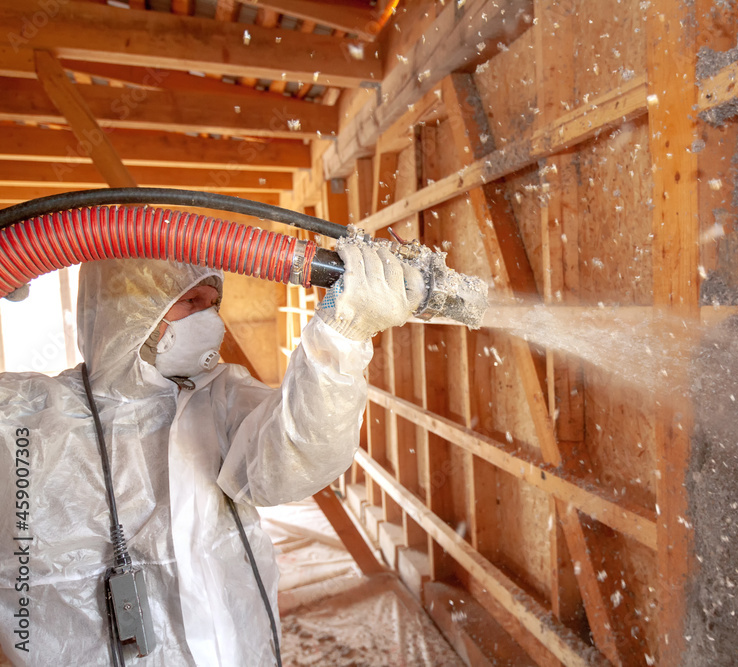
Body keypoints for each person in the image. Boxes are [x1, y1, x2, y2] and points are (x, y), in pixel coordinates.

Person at [0, 239, 423, 666]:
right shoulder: (29, 416)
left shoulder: (219, 396)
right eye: (191, 302)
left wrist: (341, 341)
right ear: (126, 309)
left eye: (213, 303)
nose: (209, 319)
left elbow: (296, 458)